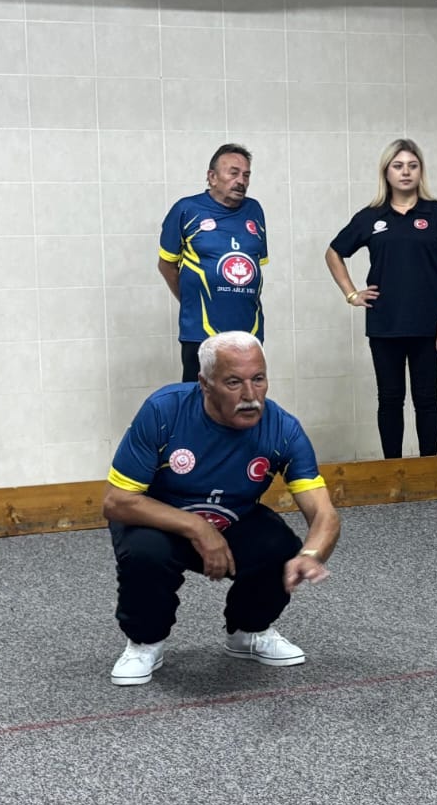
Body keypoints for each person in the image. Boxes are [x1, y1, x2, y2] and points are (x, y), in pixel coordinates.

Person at [102, 331, 340, 686]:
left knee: (281, 546)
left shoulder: (283, 429)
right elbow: (117, 501)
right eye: (233, 382)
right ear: (205, 384)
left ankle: (249, 632)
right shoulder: (164, 411)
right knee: (145, 554)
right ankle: (145, 644)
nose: (250, 395)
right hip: (158, 520)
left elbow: (324, 514)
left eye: (258, 379)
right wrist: (198, 528)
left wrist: (312, 554)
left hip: (232, 518)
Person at [325, 139, 437, 458]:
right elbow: (334, 253)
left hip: (429, 324)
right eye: (398, 166)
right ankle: (392, 468)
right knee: (389, 399)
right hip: (385, 323)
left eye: (412, 166)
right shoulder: (371, 216)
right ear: (386, 172)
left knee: (426, 398)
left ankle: (428, 468)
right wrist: (351, 294)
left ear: (420, 171)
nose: (405, 172)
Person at [157, 143, 268, 383]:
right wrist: (191, 299)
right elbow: (166, 265)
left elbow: (256, 264)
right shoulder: (186, 210)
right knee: (200, 398)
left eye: (246, 175)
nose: (241, 181)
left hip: (249, 333)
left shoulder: (255, 210)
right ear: (212, 177)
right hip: (202, 333)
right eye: (233, 173)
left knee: (247, 398)